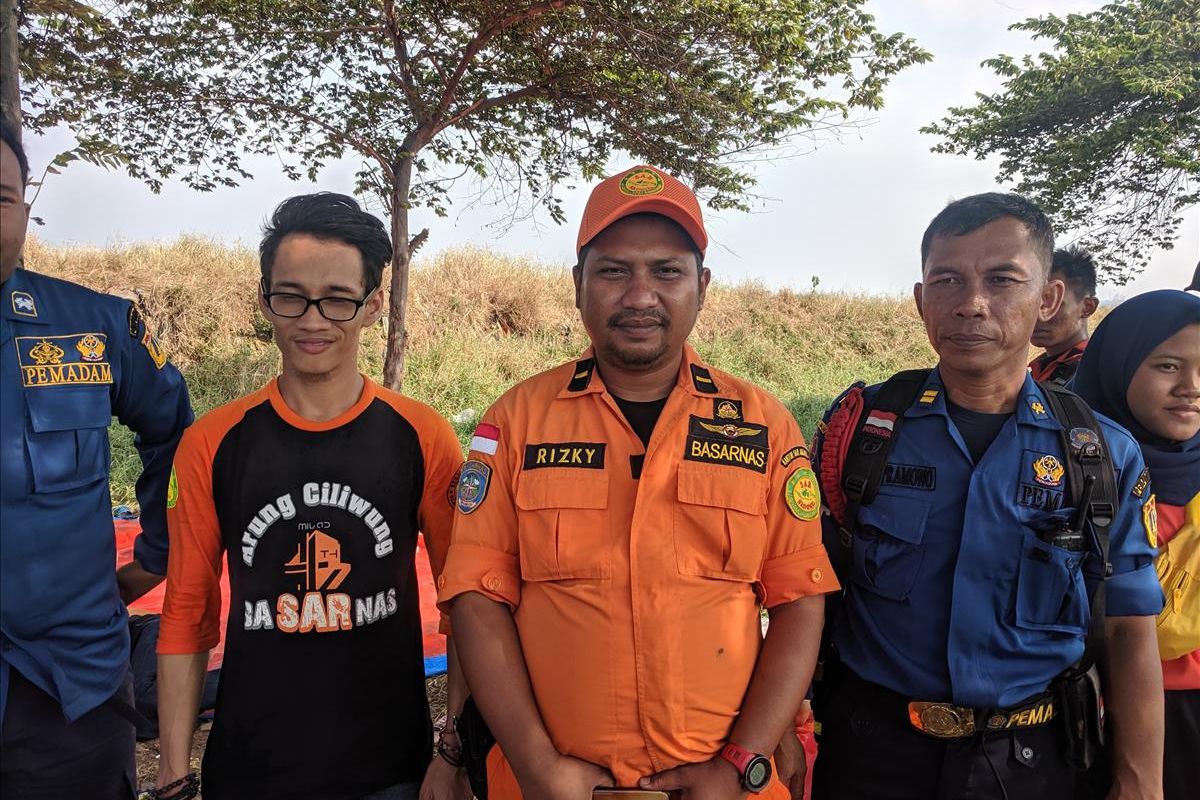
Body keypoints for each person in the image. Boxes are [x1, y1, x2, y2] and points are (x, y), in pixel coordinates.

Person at [441, 164, 837, 800]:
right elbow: (477, 595)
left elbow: (799, 599)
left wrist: (741, 764)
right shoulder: (515, 421)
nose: (639, 295)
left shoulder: (763, 424)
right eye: (613, 270)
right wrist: (538, 766)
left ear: (702, 287)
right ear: (579, 285)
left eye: (667, 271)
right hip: (552, 786)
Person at [810, 193, 1165, 799]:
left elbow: (1129, 626)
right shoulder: (864, 432)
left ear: (1048, 299)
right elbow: (808, 593)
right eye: (947, 280)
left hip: (1037, 762)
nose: (971, 304)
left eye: (1002, 280)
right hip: (872, 755)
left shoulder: (1100, 453)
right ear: (923, 301)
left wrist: (1139, 779)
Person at [154, 193, 469, 800]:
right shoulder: (212, 443)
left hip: (393, 771)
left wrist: (451, 754)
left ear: (374, 304)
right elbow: (187, 613)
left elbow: (465, 606)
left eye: (338, 299)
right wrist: (172, 775)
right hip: (250, 772)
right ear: (265, 297)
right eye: (291, 295)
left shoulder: (421, 436)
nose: (312, 319)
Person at [0, 120, 193, 797]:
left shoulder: (93, 328)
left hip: (70, 685)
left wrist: (154, 558)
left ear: (25, 208)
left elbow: (178, 437)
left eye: (0, 196)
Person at [1073, 289, 1200, 800]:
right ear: (1119, 366)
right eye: (1168, 366)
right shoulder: (1070, 467)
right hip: (1100, 711)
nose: (1191, 388)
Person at [1029, 245, 1099, 385]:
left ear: (1087, 307)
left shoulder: (1092, 372)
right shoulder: (1043, 368)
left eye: (1054, 304)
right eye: (1031, 303)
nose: (1038, 315)